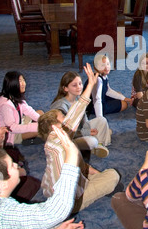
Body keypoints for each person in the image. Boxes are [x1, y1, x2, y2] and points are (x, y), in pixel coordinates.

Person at [0, 125, 143, 229]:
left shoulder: (6, 209)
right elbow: (57, 210)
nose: (16, 165)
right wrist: (72, 156)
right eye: (12, 165)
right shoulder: (7, 214)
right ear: (2, 184)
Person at [39, 63, 121, 214]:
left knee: (99, 174)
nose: (67, 119)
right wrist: (90, 85)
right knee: (113, 175)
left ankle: (98, 181)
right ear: (55, 128)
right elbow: (76, 113)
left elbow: (77, 113)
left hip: (56, 192)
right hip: (68, 203)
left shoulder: (54, 142)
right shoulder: (63, 143)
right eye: (63, 118)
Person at [51, 70, 111, 157]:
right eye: (74, 85)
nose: (79, 87)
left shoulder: (77, 98)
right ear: (65, 88)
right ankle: (97, 143)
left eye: (80, 84)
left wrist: (88, 129)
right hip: (68, 138)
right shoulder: (61, 106)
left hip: (79, 130)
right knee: (92, 141)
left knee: (102, 120)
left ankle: (99, 144)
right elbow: (65, 132)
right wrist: (87, 132)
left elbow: (84, 119)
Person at [0, 71, 43, 146]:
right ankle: (29, 140)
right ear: (12, 84)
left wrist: (44, 121)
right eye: (20, 81)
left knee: (40, 114)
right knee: (40, 130)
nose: (23, 83)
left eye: (23, 80)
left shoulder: (15, 96)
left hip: (19, 121)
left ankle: (33, 137)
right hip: (10, 135)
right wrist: (35, 126)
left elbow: (28, 110)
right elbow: (11, 128)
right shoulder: (5, 105)